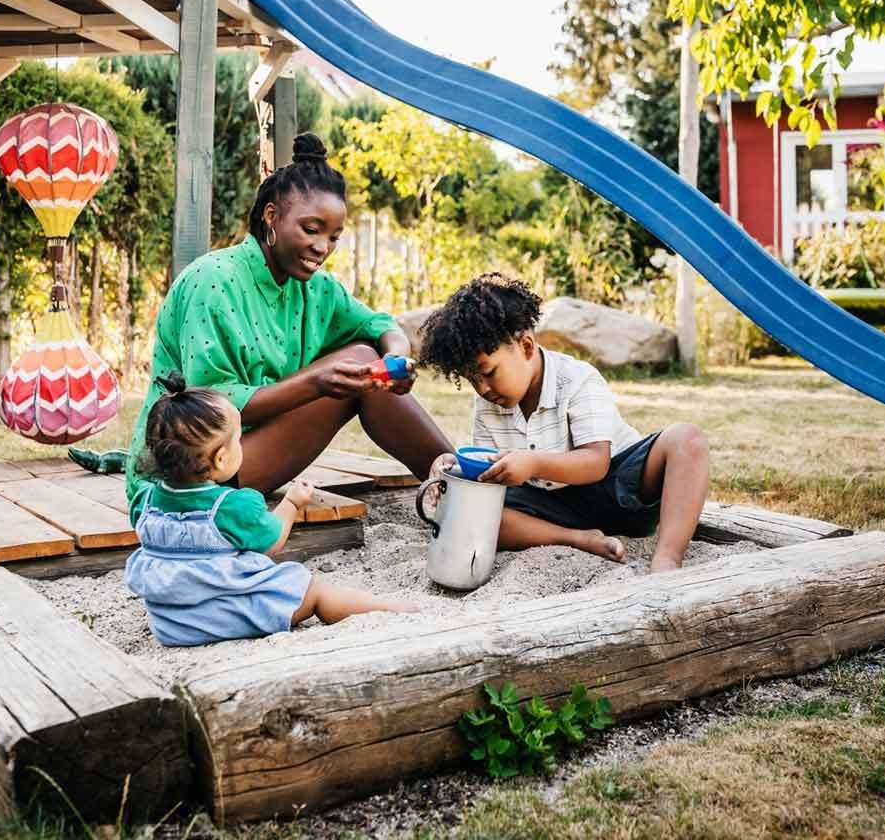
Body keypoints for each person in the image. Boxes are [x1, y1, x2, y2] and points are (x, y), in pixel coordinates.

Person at [122, 132, 452, 502]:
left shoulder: (317, 289)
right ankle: (461, 489)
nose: (322, 247)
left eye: (334, 237)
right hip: (190, 474)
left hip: (244, 454)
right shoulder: (213, 282)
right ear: (272, 217)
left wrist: (394, 357)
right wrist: (316, 383)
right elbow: (209, 409)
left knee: (365, 357)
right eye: (311, 230)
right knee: (359, 360)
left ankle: (455, 480)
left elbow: (380, 326)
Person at [418, 274, 710, 573]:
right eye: (472, 381)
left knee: (687, 439)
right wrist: (463, 470)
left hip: (619, 489)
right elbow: (490, 479)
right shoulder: (486, 406)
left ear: (527, 347)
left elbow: (597, 461)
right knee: (481, 514)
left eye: (489, 373)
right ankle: (579, 540)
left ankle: (667, 557)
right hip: (553, 511)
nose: (482, 389)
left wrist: (532, 463)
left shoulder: (577, 379)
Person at [125, 372, 416, 647]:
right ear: (222, 458)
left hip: (172, 626)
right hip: (231, 616)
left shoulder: (145, 501)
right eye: (237, 439)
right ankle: (391, 608)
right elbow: (271, 542)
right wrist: (291, 503)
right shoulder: (231, 506)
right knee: (312, 590)